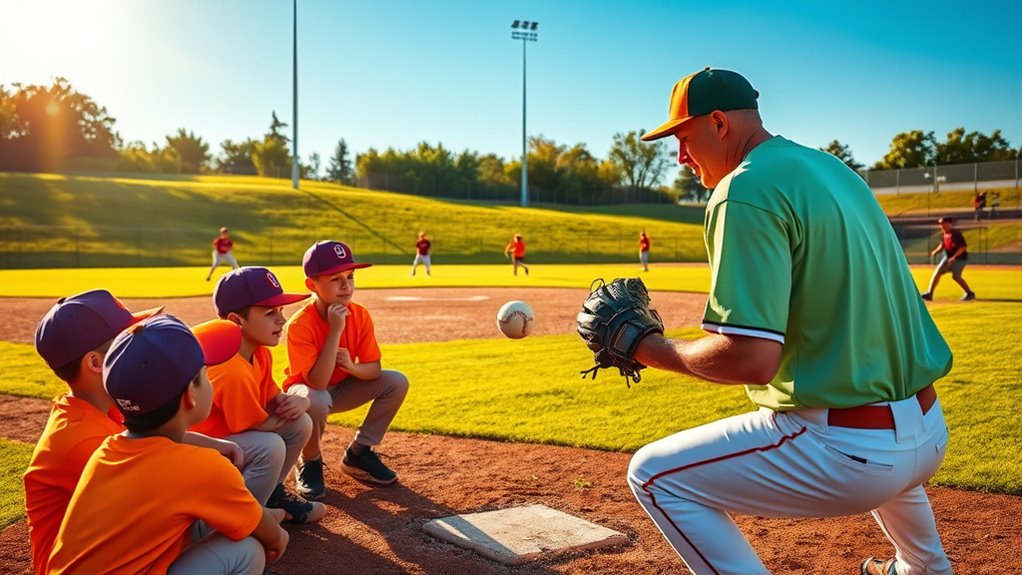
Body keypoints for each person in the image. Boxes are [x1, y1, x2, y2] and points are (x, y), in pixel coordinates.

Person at [625, 67, 954, 575]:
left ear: (718, 123)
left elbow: (751, 358)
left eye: (684, 138)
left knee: (653, 475)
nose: (680, 158)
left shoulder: (743, 189)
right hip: (928, 431)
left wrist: (644, 347)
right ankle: (924, 568)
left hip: (849, 451)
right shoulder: (833, 168)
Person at [47, 315, 289, 574]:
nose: (210, 382)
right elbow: (271, 535)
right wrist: (278, 536)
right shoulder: (204, 466)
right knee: (247, 550)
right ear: (190, 396)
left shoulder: (107, 450)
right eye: (205, 376)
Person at [23, 290, 162, 575]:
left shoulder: (101, 404)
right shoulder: (83, 440)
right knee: (235, 547)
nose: (140, 347)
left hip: (107, 551)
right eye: (127, 342)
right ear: (96, 364)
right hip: (84, 567)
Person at [192, 266, 325, 523]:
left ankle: (271, 493)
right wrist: (287, 412)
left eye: (280, 311)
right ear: (236, 321)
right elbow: (253, 426)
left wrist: (297, 400)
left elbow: (273, 396)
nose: (281, 320)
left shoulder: (258, 350)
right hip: (197, 455)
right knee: (269, 446)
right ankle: (242, 517)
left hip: (228, 444)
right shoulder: (229, 368)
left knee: (300, 421)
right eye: (269, 312)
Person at [283, 240, 409, 497]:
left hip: (342, 387)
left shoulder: (359, 315)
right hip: (305, 394)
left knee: (396, 381)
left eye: (350, 277)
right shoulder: (300, 324)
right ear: (312, 285)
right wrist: (335, 331)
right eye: (335, 279)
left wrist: (351, 366)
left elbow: (374, 370)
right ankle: (310, 460)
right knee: (316, 399)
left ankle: (358, 453)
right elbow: (316, 383)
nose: (346, 285)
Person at [922, 216, 975, 302]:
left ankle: (970, 293)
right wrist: (935, 252)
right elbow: (942, 245)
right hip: (948, 258)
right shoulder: (944, 234)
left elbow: (963, 248)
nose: (942, 226)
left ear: (950, 224)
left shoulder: (956, 234)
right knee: (937, 272)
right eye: (941, 224)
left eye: (944, 223)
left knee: (956, 276)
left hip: (960, 258)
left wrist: (954, 257)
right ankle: (929, 294)